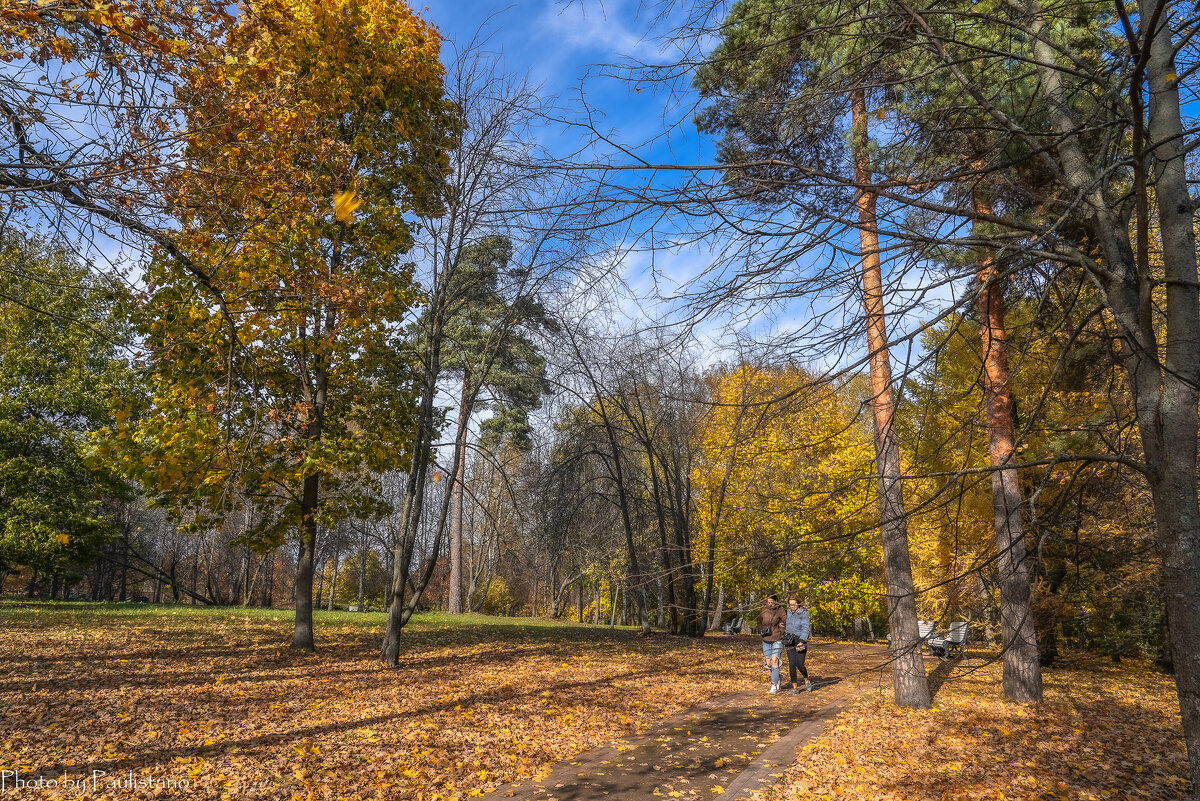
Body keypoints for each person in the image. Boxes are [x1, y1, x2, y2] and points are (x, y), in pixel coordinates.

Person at [756, 594, 787, 694]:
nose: (770, 604)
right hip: (766, 639)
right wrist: (761, 630)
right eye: (768, 602)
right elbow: (759, 621)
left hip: (777, 638)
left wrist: (781, 630)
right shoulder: (764, 610)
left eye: (772, 602)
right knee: (768, 663)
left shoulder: (780, 610)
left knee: (774, 661)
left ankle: (774, 685)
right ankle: (778, 677)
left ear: (776, 601)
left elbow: (786, 622)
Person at [784, 594, 813, 694]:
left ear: (798, 604)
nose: (792, 607)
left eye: (794, 605)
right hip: (789, 640)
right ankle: (795, 688)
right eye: (790, 605)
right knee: (792, 664)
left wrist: (802, 641)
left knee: (800, 664)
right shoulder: (788, 612)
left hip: (800, 640)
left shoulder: (803, 613)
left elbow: (805, 628)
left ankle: (806, 679)